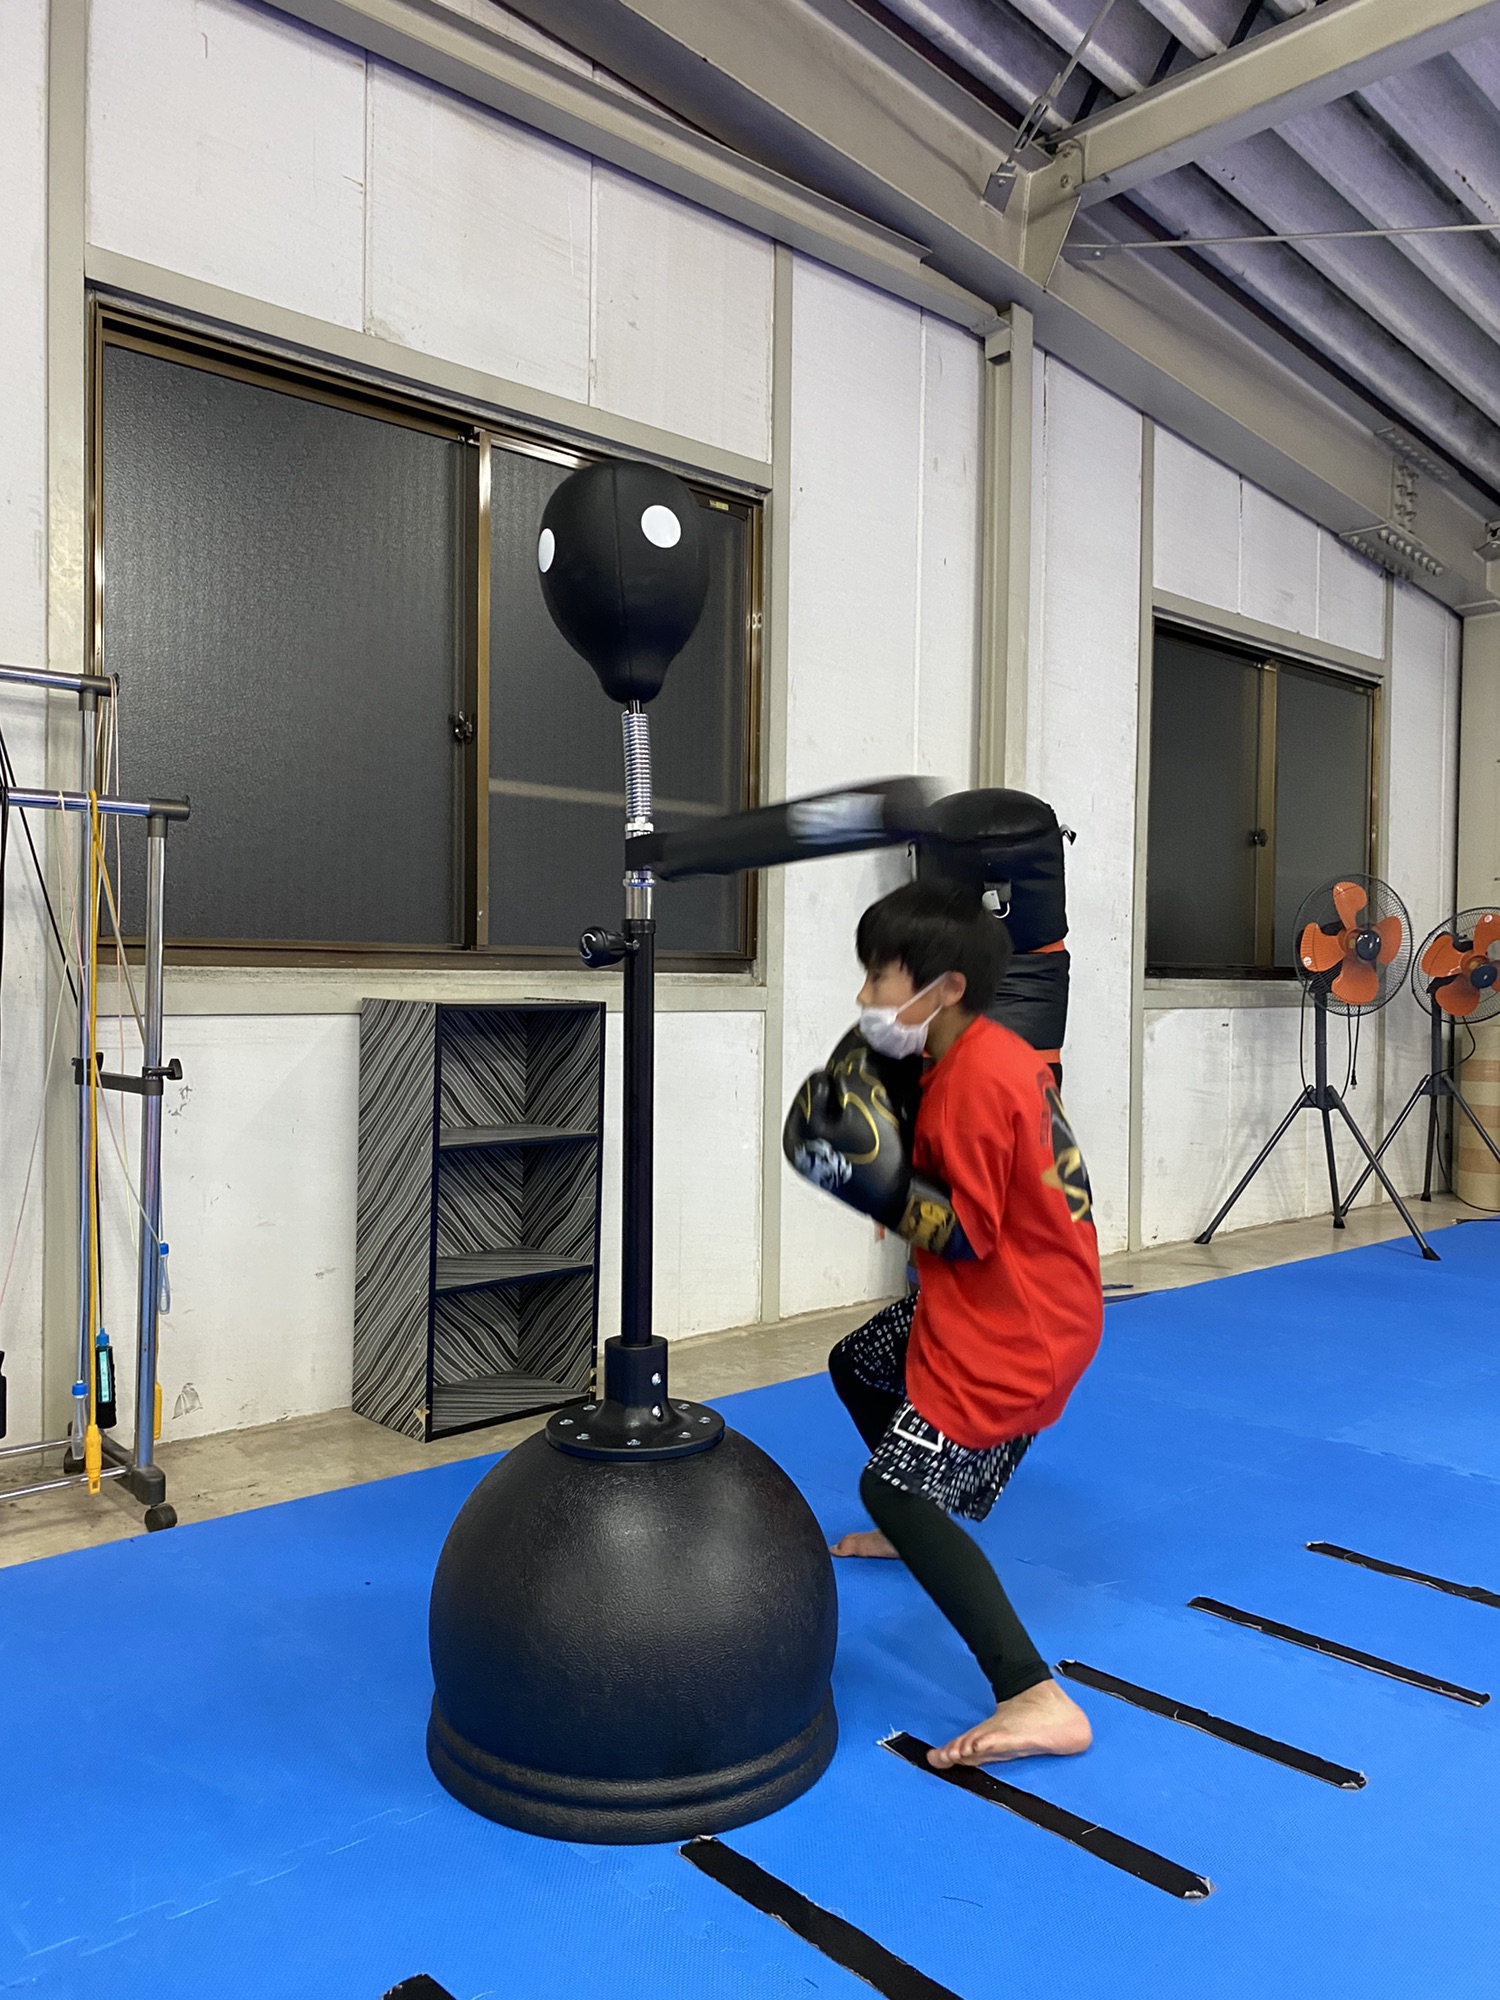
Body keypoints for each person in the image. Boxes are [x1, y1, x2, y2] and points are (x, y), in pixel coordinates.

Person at [800, 881, 1103, 1769]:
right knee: (860, 1362)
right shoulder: (977, 1052)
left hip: (1017, 1323)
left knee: (887, 1489)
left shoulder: (974, 1081)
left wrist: (867, 1180)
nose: (864, 996)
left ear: (946, 988)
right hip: (1015, 1293)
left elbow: (964, 1232)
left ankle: (1034, 1695)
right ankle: (920, 1521)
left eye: (879, 977)